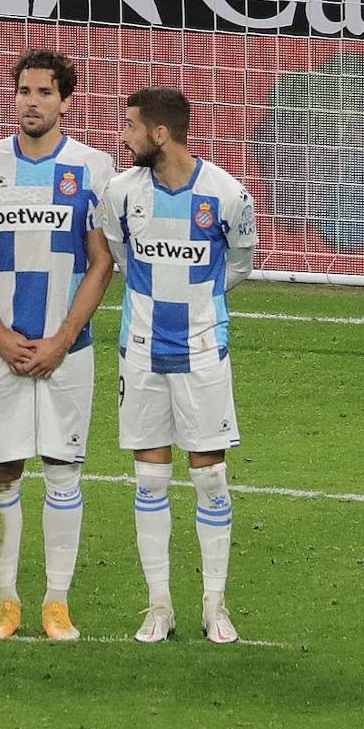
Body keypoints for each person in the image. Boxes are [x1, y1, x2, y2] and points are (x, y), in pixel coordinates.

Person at [0, 50, 116, 641]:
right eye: (23, 90)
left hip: (66, 352)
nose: (31, 101)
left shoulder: (93, 168)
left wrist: (62, 339)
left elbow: (101, 261)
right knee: (1, 470)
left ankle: (56, 603)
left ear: (65, 101)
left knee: (63, 470)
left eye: (44, 92)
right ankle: (6, 603)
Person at [99, 87, 258, 644]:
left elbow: (238, 263)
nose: (125, 137)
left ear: (158, 134)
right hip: (140, 350)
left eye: (131, 126)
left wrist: (200, 303)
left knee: (210, 476)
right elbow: (119, 253)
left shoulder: (227, 195)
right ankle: (159, 606)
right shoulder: (120, 192)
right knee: (149, 479)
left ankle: (215, 605)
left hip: (202, 350)